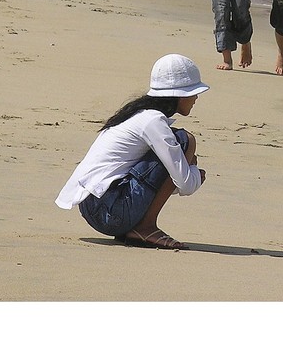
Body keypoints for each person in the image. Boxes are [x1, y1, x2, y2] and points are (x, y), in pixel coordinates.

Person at [55, 54, 209, 249]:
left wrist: (183, 170)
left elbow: (173, 183)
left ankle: (137, 227)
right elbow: (186, 186)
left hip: (93, 207)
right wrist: (194, 172)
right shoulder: (153, 121)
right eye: (192, 92)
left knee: (175, 147)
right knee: (184, 140)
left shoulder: (138, 114)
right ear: (178, 95)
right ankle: (146, 227)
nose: (196, 98)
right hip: (110, 213)